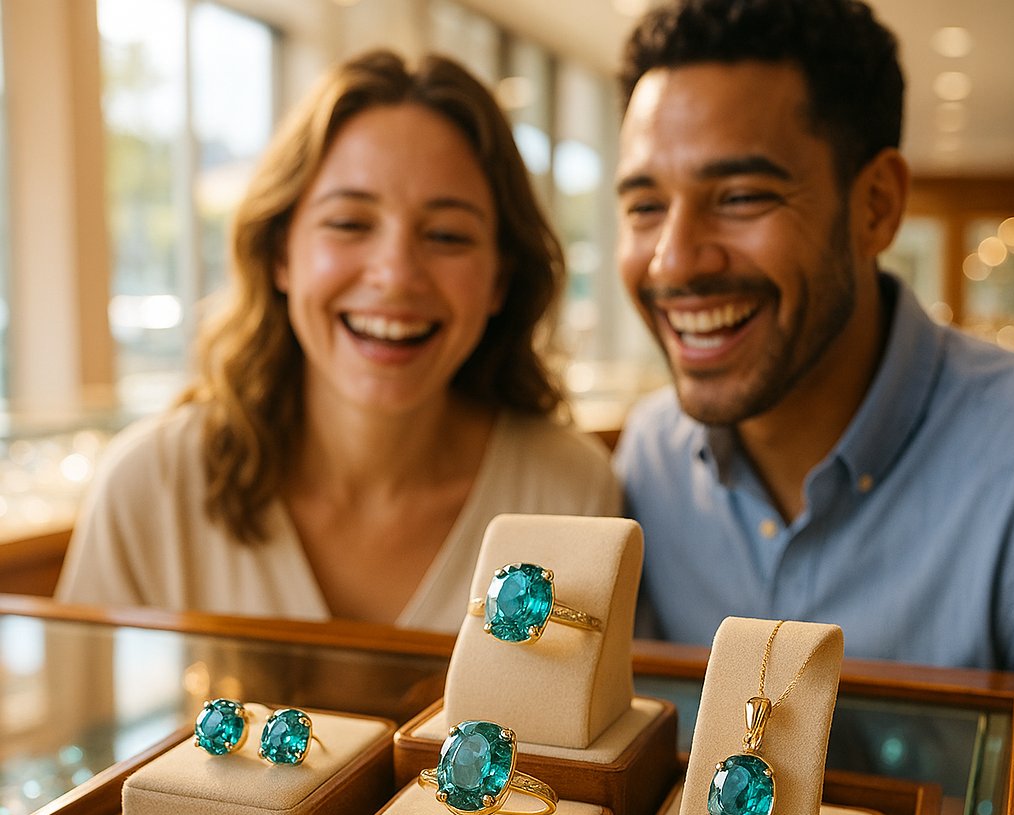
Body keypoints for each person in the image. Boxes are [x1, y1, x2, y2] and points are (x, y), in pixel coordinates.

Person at [57, 50, 620, 633]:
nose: (396, 274)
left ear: (500, 278)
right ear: (281, 254)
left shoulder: (569, 492)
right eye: (350, 223)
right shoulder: (151, 489)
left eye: (448, 235)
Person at [613, 0, 1014, 671]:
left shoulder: (1011, 462)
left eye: (742, 196)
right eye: (645, 207)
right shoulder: (649, 462)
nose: (674, 260)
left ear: (876, 207)